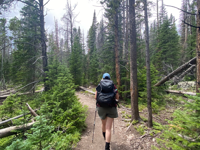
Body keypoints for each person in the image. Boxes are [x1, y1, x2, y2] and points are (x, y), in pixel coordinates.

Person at [95, 73, 119, 150]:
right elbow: (117, 96)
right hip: (111, 107)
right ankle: (107, 147)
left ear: (103, 78)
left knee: (103, 123)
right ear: (109, 78)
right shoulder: (113, 85)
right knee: (108, 128)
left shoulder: (99, 85)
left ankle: (105, 137)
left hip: (101, 107)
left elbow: (96, 97)